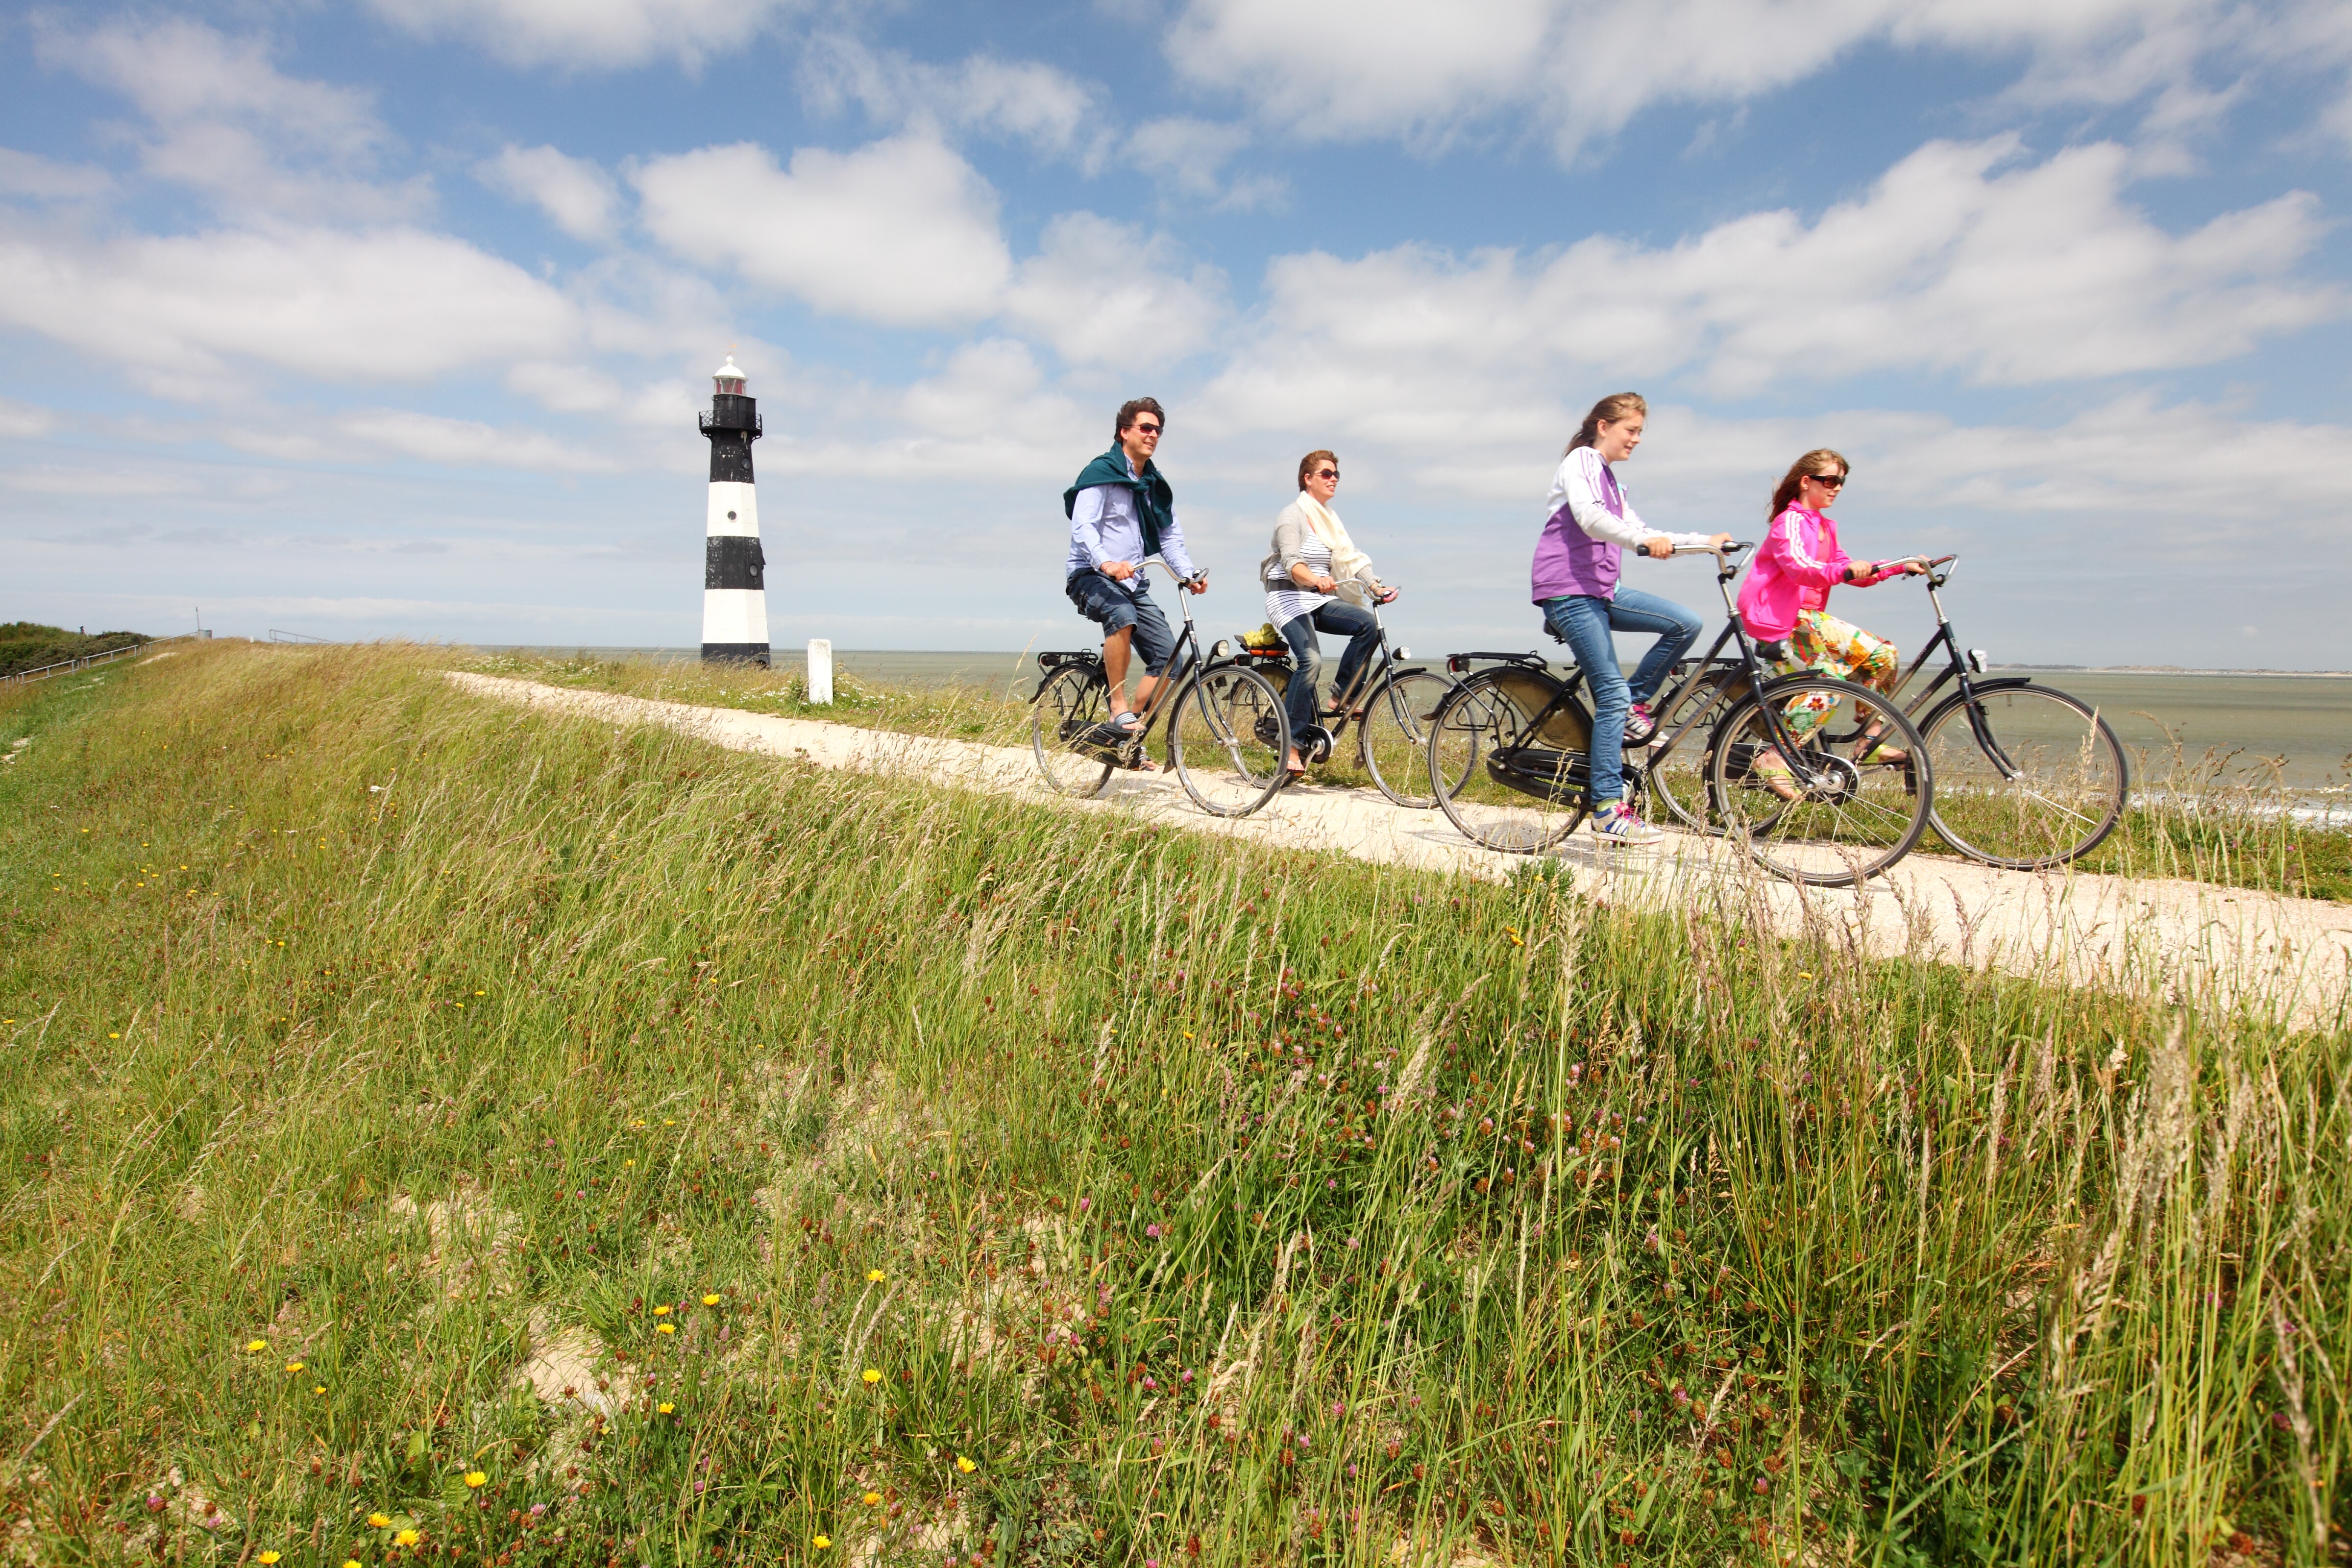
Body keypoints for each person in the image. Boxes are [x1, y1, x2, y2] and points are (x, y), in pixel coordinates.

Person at [1533, 392, 1730, 845]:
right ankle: (1605, 809)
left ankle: (1631, 706)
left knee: (1685, 623)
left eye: (1640, 432)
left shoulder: (1614, 484)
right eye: (1632, 430)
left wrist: (1706, 542)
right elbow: (1588, 518)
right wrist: (1641, 545)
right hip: (1569, 591)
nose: (1637, 440)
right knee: (1610, 693)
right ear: (1604, 426)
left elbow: (1643, 530)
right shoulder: (1581, 461)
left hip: (1604, 590)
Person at [1736, 448, 1927, 793]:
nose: (1837, 487)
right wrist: (1842, 570)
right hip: (1779, 620)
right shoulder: (1790, 522)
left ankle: (1871, 744)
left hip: (1810, 619)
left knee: (1885, 656)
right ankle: (1774, 758)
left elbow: (1851, 571)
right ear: (1806, 482)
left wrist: (1900, 565)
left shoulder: (1825, 527)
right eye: (1830, 480)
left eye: (1841, 482)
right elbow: (1799, 566)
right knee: (1829, 681)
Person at [1063, 397, 1205, 746]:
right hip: (1090, 575)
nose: (1153, 435)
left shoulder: (1153, 485)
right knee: (1122, 614)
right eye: (1146, 427)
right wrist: (1106, 563)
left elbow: (1170, 537)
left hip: (1134, 582)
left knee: (1170, 661)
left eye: (1158, 430)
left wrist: (1189, 574)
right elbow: (1083, 528)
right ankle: (1117, 706)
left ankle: (1126, 739)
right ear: (1124, 432)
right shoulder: (1101, 473)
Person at [1260, 449, 1396, 777]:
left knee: (1367, 625)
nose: (1333, 478)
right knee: (1312, 661)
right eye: (1326, 473)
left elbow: (1350, 559)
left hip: (1317, 599)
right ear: (1308, 479)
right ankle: (1291, 743)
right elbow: (1293, 562)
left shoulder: (1329, 520)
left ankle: (1341, 696)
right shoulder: (1290, 516)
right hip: (1288, 597)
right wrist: (1314, 579)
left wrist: (1374, 586)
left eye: (1336, 474)